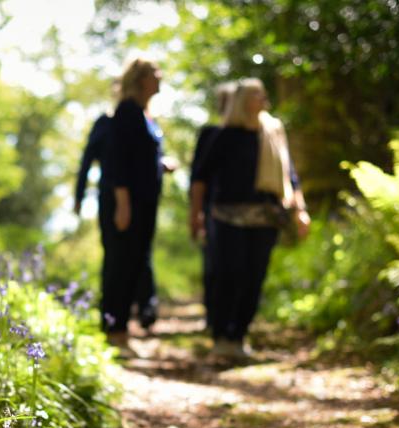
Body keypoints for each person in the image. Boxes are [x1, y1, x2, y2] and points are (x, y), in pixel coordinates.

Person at [190, 78, 310, 360]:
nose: (263, 98)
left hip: (265, 218)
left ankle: (239, 337)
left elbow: (289, 176)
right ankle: (221, 338)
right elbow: (201, 179)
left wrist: (300, 210)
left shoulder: (273, 133)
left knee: (253, 277)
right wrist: (196, 215)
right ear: (242, 101)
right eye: (256, 94)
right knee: (227, 275)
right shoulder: (224, 135)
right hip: (226, 218)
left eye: (263, 93)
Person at [101, 58, 173, 345]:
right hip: (125, 202)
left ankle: (122, 330)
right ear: (141, 79)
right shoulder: (127, 112)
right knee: (121, 262)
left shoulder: (146, 115)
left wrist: (161, 164)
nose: (161, 77)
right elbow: (117, 161)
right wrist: (123, 203)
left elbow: (142, 159)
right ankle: (114, 330)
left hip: (144, 203)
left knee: (136, 263)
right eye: (155, 73)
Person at [74, 106, 158, 333]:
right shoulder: (108, 121)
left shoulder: (149, 121)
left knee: (141, 257)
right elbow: (88, 158)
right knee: (117, 260)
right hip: (113, 199)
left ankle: (144, 308)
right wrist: (79, 195)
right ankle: (113, 324)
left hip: (145, 201)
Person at [188, 81, 236, 332]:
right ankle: (214, 319)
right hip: (213, 211)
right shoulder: (210, 133)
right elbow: (198, 175)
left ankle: (228, 322)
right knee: (214, 265)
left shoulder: (257, 134)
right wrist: (195, 213)